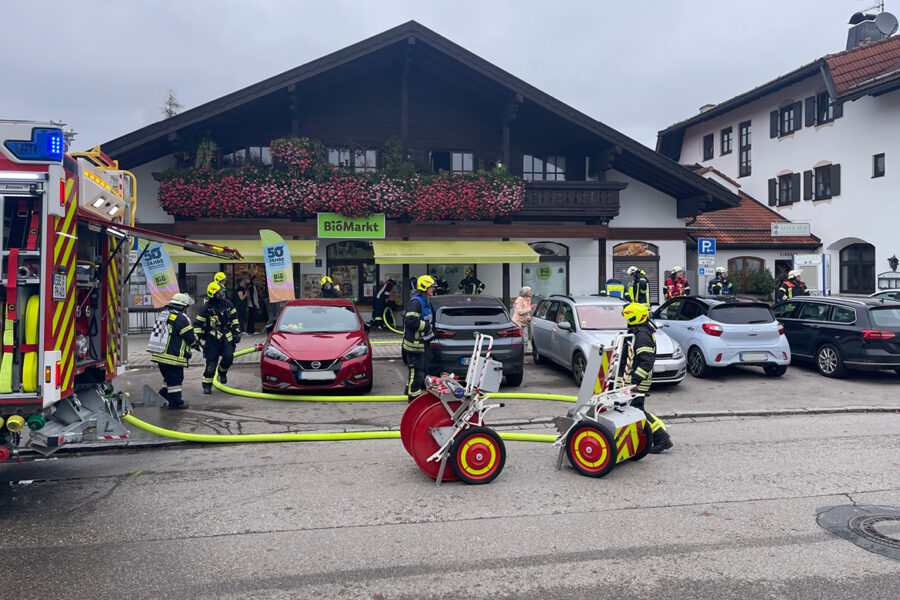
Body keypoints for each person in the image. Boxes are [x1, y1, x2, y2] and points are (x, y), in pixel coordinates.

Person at [620, 302, 673, 453]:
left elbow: (646, 360)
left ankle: (661, 438)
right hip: (634, 380)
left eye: (628, 317)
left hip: (637, 381)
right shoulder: (639, 331)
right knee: (635, 410)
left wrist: (635, 381)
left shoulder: (642, 335)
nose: (626, 321)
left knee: (637, 411)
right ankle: (654, 438)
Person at [150, 293, 199, 410]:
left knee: (168, 378)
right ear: (182, 306)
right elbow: (189, 335)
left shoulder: (164, 315)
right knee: (176, 379)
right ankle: (176, 403)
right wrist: (195, 344)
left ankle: (163, 396)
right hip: (173, 356)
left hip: (159, 355)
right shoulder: (180, 318)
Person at [193, 282, 241, 394]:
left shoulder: (229, 304)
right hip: (212, 339)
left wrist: (237, 332)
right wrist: (197, 338)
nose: (222, 295)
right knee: (211, 364)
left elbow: (235, 319)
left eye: (222, 292)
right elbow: (198, 324)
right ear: (213, 294)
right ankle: (207, 384)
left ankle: (222, 372)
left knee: (228, 357)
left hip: (227, 337)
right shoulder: (206, 307)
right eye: (219, 293)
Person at [402, 275, 436, 401]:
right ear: (424, 288)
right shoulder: (416, 302)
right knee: (417, 372)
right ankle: (413, 398)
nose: (433, 289)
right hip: (414, 345)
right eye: (431, 287)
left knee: (420, 370)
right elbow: (410, 321)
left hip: (422, 343)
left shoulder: (425, 301)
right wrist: (427, 326)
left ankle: (408, 390)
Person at [512, 286, 534, 352]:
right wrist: (530, 308)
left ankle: (523, 357)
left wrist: (529, 318)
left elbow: (526, 312)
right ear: (525, 292)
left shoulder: (528, 299)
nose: (531, 292)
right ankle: (518, 357)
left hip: (524, 323)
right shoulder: (519, 299)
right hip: (517, 322)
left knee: (525, 341)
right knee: (518, 341)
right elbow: (519, 311)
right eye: (529, 291)